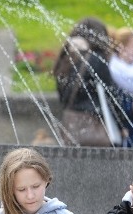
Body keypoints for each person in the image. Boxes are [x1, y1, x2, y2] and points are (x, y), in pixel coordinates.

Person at [53, 18, 123, 147]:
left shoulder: (65, 57)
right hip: (95, 126)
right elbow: (112, 96)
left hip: (71, 125)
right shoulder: (96, 59)